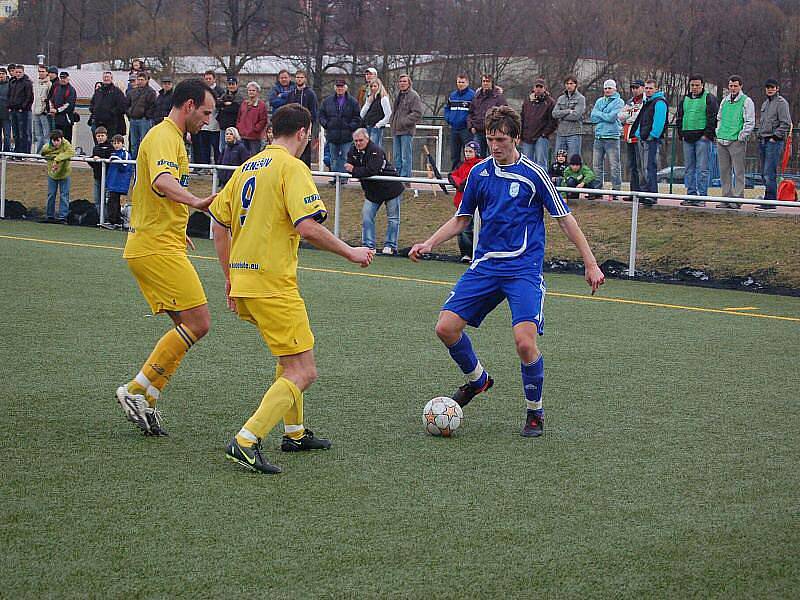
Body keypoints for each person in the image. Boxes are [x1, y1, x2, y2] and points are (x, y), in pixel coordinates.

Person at [408, 106, 604, 438]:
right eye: (489, 138)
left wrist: (590, 262)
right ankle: (478, 380)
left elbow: (565, 219)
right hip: (485, 266)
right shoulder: (479, 174)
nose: (494, 145)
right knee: (445, 328)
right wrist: (429, 242)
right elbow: (462, 219)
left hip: (523, 271)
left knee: (524, 344)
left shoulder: (534, 174)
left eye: (500, 139)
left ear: (515, 137)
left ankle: (535, 412)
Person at [209, 103, 375, 474]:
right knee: (304, 370)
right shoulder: (291, 167)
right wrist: (351, 252)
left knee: (289, 358)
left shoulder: (245, 167)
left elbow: (219, 227)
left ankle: (295, 433)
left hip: (247, 282)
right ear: (303, 133)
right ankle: (246, 440)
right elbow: (307, 225)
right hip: (273, 284)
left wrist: (231, 277)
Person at [115, 79, 217, 436]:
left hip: (162, 241)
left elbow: (150, 191)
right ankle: (135, 390)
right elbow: (161, 181)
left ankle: (149, 399)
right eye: (206, 112)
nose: (208, 120)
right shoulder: (163, 136)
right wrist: (195, 202)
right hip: (155, 247)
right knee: (200, 322)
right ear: (188, 105)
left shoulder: (174, 139)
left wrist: (177, 225)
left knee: (187, 327)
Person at [345, 127, 406, 255]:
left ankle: (390, 245)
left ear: (367, 139)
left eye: (360, 140)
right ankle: (368, 245)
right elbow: (348, 165)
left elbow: (371, 170)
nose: (358, 143)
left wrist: (355, 170)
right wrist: (356, 170)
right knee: (367, 216)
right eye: (355, 141)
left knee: (393, 219)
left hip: (391, 188)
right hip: (372, 191)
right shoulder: (352, 150)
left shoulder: (376, 151)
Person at [676, 75, 719, 206]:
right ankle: (691, 195)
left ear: (702, 85)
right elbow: (680, 116)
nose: (694, 88)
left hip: (702, 139)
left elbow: (712, 117)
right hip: (687, 138)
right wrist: (681, 133)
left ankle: (702, 196)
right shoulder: (685, 99)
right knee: (689, 169)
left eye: (697, 85)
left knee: (702, 169)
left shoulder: (709, 98)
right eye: (692, 85)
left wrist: (707, 135)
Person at [715, 75, 755, 209]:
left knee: (738, 171)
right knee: (724, 171)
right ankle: (726, 197)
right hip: (722, 140)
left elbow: (750, 121)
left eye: (735, 86)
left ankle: (738, 199)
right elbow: (719, 117)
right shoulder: (724, 101)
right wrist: (718, 132)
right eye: (731, 86)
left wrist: (741, 136)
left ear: (740, 86)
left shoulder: (746, 101)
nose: (732, 88)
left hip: (736, 141)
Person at [755, 79, 792, 210]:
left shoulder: (781, 103)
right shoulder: (765, 104)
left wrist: (775, 137)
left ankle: (770, 201)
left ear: (777, 88)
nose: (770, 90)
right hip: (763, 140)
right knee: (763, 172)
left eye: (772, 87)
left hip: (774, 141)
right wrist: (759, 134)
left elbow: (786, 122)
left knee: (769, 172)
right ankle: (767, 198)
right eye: (768, 87)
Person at [631, 79, 668, 206]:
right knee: (642, 167)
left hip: (650, 140)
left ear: (656, 89)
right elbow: (642, 120)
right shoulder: (648, 102)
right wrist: (637, 134)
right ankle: (644, 192)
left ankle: (651, 194)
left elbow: (659, 121)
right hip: (642, 138)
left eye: (651, 88)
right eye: (646, 88)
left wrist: (652, 135)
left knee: (649, 167)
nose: (648, 90)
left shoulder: (659, 102)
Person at [318, 79, 361, 181]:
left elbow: (357, 118)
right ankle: (335, 178)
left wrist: (350, 127)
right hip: (332, 135)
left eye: (341, 86)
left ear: (345, 87)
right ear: (335, 88)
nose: (340, 88)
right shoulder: (327, 101)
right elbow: (321, 115)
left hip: (346, 136)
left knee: (345, 158)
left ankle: (343, 179)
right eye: (338, 86)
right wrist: (326, 124)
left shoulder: (352, 102)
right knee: (333, 158)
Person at [447, 140, 482, 262]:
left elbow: (471, 180)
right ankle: (465, 254)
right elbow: (453, 175)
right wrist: (458, 182)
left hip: (473, 204)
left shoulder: (478, 165)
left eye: (470, 151)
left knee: (468, 229)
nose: (467, 154)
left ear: (476, 153)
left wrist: (463, 183)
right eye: (466, 151)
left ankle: (472, 253)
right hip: (460, 202)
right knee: (460, 230)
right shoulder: (462, 165)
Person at [590, 79, 625, 197]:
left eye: (609, 88)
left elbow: (612, 117)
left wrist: (600, 114)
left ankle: (616, 190)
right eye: (605, 88)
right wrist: (605, 115)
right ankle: (597, 190)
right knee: (596, 165)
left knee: (614, 165)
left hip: (612, 137)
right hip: (599, 136)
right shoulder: (599, 100)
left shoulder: (619, 102)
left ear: (615, 89)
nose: (607, 90)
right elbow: (592, 117)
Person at [390, 74, 423, 180]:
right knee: (397, 156)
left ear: (409, 83)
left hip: (406, 131)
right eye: (400, 81)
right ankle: (398, 176)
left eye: (404, 81)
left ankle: (405, 178)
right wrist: (392, 121)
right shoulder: (398, 95)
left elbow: (418, 113)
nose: (402, 83)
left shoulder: (414, 96)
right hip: (396, 130)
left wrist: (404, 122)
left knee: (405, 156)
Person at [520, 78, 557, 168]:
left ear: (545, 88)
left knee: (541, 163)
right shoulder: (527, 101)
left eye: (541, 87)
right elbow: (522, 118)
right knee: (526, 163)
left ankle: (541, 181)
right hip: (527, 137)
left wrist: (544, 134)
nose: (538, 89)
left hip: (541, 137)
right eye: (537, 86)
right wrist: (521, 134)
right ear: (533, 88)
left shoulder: (550, 102)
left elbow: (553, 121)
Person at [467, 74, 507, 157]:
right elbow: (470, 113)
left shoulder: (499, 97)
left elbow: (504, 114)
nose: (485, 83)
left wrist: (497, 127)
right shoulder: (477, 97)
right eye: (484, 81)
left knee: (493, 155)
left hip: (492, 132)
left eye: (488, 81)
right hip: (477, 131)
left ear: (492, 83)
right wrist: (471, 126)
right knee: (477, 156)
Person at [618, 80, 645, 200]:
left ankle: (643, 193)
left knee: (641, 165)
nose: (634, 90)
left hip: (639, 136)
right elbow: (620, 116)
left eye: (637, 87)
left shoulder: (645, 101)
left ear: (642, 88)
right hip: (628, 136)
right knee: (632, 165)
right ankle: (633, 192)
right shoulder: (630, 102)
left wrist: (630, 114)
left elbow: (638, 116)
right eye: (632, 87)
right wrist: (630, 113)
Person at [286, 69, 318, 167]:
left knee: (305, 152)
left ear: (305, 79)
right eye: (297, 77)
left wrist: (309, 125)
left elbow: (314, 112)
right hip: (293, 127)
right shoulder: (291, 94)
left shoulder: (310, 94)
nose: (299, 79)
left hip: (305, 127)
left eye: (301, 77)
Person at [40, 130, 74, 222]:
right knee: (51, 194)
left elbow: (71, 152)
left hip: (64, 173)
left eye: (57, 140)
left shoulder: (66, 144)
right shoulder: (47, 146)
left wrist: (57, 158)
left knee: (64, 195)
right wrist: (54, 155)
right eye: (53, 141)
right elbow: (42, 153)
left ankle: (63, 217)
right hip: (52, 174)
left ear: (61, 139)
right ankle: (49, 215)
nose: (55, 143)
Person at [444, 74, 475, 169]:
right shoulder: (452, 95)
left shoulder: (472, 95)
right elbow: (447, 108)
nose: (460, 84)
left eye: (463, 82)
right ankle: (454, 175)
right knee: (454, 155)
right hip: (454, 129)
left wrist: (470, 124)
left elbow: (475, 111)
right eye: (459, 82)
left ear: (467, 83)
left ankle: (467, 175)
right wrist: (448, 118)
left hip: (466, 129)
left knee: (468, 154)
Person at [193, 70, 223, 166]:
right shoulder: (201, 90)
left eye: (210, 78)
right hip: (203, 124)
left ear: (214, 79)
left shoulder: (220, 91)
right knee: (204, 147)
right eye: (206, 79)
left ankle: (216, 167)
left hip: (215, 124)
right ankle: (205, 166)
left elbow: (220, 104)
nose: (208, 80)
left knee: (216, 147)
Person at [552, 76, 586, 159]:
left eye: (571, 83)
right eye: (567, 83)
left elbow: (576, 115)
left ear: (575, 85)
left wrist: (561, 116)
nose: (569, 85)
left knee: (573, 159)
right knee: (558, 159)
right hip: (561, 133)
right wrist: (568, 111)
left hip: (574, 133)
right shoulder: (561, 98)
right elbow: (554, 114)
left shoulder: (580, 98)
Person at [126, 72, 156, 158]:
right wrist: (130, 114)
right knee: (133, 144)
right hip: (133, 120)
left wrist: (147, 116)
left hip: (144, 120)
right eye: (138, 79)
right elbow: (127, 104)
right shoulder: (132, 92)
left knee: (144, 143)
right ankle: (134, 164)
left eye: (142, 80)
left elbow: (153, 106)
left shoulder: (151, 92)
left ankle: (144, 161)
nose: (140, 81)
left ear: (146, 80)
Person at [105, 134, 133, 228]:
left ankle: (114, 221)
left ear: (122, 143)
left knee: (114, 202)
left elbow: (125, 166)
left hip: (119, 183)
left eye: (118, 143)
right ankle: (115, 220)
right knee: (113, 201)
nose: (116, 145)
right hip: (112, 183)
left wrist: (117, 159)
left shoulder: (125, 154)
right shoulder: (113, 153)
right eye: (115, 143)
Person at [89, 71, 127, 136]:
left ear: (111, 78)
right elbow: (92, 103)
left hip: (112, 123)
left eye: (108, 77)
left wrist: (111, 113)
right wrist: (94, 110)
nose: (106, 79)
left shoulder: (117, 92)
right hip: (98, 121)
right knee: (99, 142)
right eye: (104, 77)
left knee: (110, 141)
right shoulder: (98, 91)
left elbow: (122, 107)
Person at [236, 81, 269, 157]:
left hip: (254, 136)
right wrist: (239, 127)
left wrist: (255, 129)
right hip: (243, 135)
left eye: (253, 90)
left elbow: (263, 120)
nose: (251, 92)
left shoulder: (261, 105)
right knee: (243, 157)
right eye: (249, 90)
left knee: (254, 156)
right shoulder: (244, 103)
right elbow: (239, 117)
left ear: (257, 92)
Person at [8, 64, 33, 154]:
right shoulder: (12, 82)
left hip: (22, 111)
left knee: (23, 133)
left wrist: (23, 107)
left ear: (23, 72)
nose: (18, 74)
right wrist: (9, 106)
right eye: (16, 72)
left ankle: (24, 152)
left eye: (20, 72)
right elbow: (9, 95)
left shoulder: (27, 83)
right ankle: (17, 151)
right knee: (15, 133)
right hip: (13, 110)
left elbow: (29, 97)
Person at [359, 78, 391, 148]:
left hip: (376, 128)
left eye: (375, 86)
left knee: (374, 149)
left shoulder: (383, 98)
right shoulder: (371, 98)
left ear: (379, 86)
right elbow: (362, 113)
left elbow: (388, 115)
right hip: (367, 126)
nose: (373, 88)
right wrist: (368, 103)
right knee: (366, 149)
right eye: (371, 86)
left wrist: (378, 125)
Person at [89, 126, 114, 215]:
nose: (100, 138)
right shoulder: (95, 148)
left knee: (106, 199)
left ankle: (107, 217)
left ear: (106, 136)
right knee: (97, 199)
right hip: (97, 177)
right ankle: (99, 217)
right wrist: (91, 159)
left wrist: (100, 158)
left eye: (102, 135)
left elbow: (110, 159)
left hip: (107, 178)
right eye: (98, 136)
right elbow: (93, 163)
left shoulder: (111, 147)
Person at [48, 71, 78, 142]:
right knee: (56, 139)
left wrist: (57, 110)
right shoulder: (56, 88)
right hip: (57, 119)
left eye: (64, 78)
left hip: (66, 119)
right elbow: (51, 99)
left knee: (66, 140)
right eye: (61, 78)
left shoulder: (71, 90)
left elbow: (68, 105)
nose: (62, 80)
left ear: (68, 78)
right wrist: (51, 108)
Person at [217, 76, 243, 153]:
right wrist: (226, 104)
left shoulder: (239, 97)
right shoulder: (224, 95)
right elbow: (217, 104)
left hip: (234, 127)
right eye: (229, 84)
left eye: (233, 84)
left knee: (234, 147)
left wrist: (225, 106)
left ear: (236, 85)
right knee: (222, 148)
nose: (231, 86)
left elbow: (236, 108)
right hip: (223, 127)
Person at [32, 65, 52, 152]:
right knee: (37, 134)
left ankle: (45, 153)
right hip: (35, 111)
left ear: (47, 72)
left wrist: (46, 109)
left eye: (43, 71)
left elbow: (50, 98)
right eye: (39, 71)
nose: (41, 73)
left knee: (46, 134)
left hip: (44, 112)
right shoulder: (35, 83)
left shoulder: (49, 84)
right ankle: (37, 153)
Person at [0, 67, 10, 153]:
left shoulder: (10, 85)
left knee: (7, 135)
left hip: (7, 115)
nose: (1, 75)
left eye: (3, 74)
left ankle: (6, 152)